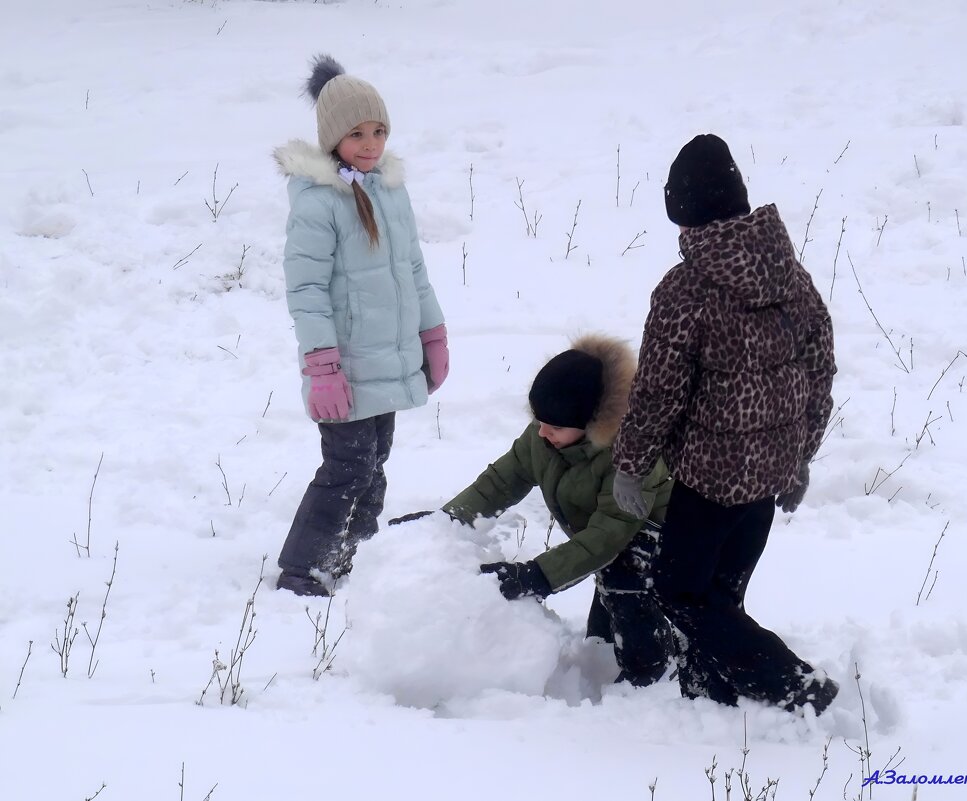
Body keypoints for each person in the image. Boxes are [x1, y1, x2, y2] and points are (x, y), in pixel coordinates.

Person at [611, 134, 838, 714]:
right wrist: (800, 456)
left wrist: (632, 467)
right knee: (722, 593)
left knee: (679, 592)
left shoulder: (685, 290)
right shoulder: (791, 274)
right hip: (770, 473)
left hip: (711, 481)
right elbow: (820, 369)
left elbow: (657, 391)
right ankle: (707, 690)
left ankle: (794, 686)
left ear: (681, 208)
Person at [390, 335, 674, 687]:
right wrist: (446, 522)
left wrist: (537, 575)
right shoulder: (544, 436)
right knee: (603, 634)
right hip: (605, 535)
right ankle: (607, 653)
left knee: (624, 580)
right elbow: (499, 482)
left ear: (590, 424)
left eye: (554, 427)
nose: (542, 433)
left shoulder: (630, 454)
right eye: (539, 421)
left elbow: (608, 535)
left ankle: (652, 672)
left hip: (657, 534)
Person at [272, 54, 448, 597]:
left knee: (374, 464)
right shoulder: (319, 203)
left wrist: (431, 334)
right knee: (347, 467)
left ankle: (354, 553)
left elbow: (413, 271)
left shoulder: (390, 191)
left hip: (388, 358)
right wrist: (322, 366)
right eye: (357, 134)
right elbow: (305, 290)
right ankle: (304, 568)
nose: (371, 143)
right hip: (346, 367)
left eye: (379, 131)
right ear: (332, 138)